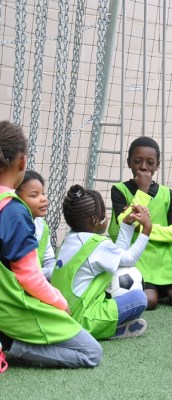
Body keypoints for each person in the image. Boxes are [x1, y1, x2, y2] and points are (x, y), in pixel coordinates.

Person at [0, 120, 102, 370]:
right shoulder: (13, 212)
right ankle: (9, 342)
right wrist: (59, 302)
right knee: (92, 353)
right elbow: (29, 278)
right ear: (22, 162)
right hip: (10, 308)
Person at [51, 184, 151, 339]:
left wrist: (126, 224)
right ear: (94, 220)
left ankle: (111, 328)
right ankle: (109, 330)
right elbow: (129, 259)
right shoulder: (97, 244)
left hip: (61, 315)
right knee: (139, 299)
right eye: (104, 214)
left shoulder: (70, 239)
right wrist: (146, 230)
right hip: (83, 319)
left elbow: (116, 256)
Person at [109, 136, 172, 310]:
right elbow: (125, 223)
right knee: (149, 302)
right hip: (138, 257)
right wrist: (142, 190)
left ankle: (162, 287)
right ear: (129, 162)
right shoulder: (119, 190)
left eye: (150, 162)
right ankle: (153, 289)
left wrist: (146, 229)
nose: (143, 167)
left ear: (157, 165)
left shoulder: (167, 193)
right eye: (137, 161)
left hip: (164, 259)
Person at [16, 170, 55, 281]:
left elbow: (49, 259)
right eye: (34, 195)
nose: (43, 199)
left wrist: (54, 271)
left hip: (36, 281)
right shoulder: (14, 227)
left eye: (43, 193)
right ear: (17, 199)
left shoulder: (42, 226)